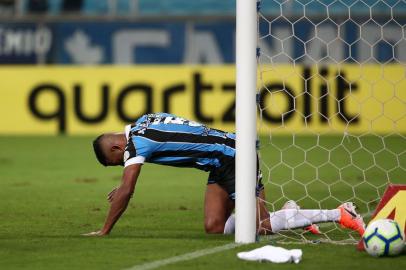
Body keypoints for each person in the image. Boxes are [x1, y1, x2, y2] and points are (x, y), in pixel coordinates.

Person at [83, 112, 365, 237]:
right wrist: (122, 187)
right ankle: (286, 214)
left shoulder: (136, 144)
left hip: (235, 156)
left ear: (118, 146)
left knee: (260, 228)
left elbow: (129, 188)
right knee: (214, 227)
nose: (124, 164)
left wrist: (105, 229)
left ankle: (339, 213)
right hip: (218, 161)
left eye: (117, 161)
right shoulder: (145, 121)